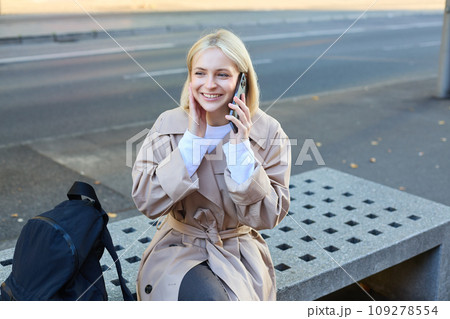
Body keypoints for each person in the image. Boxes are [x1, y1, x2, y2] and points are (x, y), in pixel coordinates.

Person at [132, 29, 291, 301]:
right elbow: (147, 201)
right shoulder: (168, 125)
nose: (209, 84)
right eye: (200, 73)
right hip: (178, 249)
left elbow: (269, 216)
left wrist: (241, 149)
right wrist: (193, 138)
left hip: (238, 252)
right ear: (190, 78)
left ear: (243, 80)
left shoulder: (268, 131)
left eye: (222, 74)